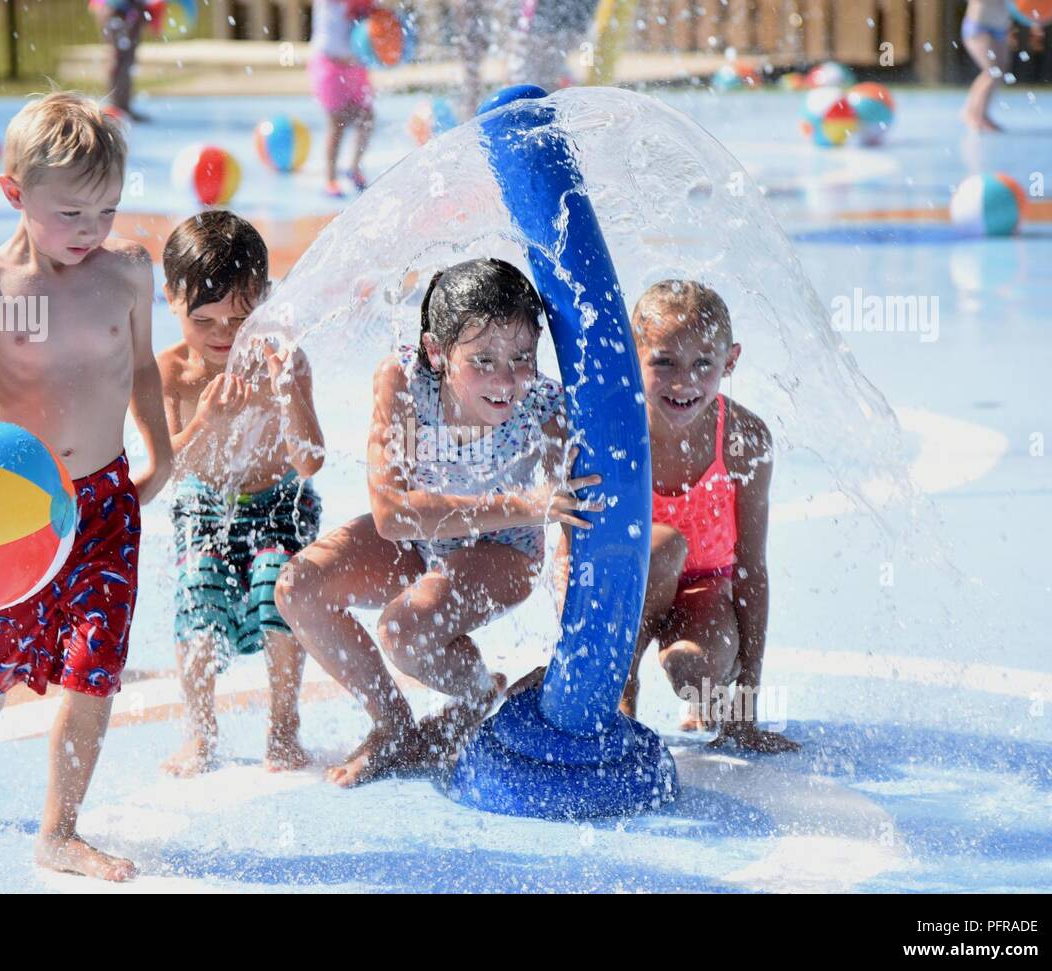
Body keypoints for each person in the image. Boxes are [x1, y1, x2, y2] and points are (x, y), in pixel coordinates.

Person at [0, 91, 174, 880]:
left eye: (107, 210)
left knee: (96, 666)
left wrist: (161, 452)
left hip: (107, 501)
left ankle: (60, 830)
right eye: (73, 213)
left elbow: (142, 368)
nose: (92, 231)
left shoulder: (127, 273)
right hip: (7, 512)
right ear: (14, 192)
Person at [275, 258, 603, 787]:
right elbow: (392, 513)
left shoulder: (545, 409)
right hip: (421, 538)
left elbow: (576, 530)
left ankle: (476, 693)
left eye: (523, 357)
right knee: (299, 587)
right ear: (436, 351)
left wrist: (572, 652)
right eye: (483, 360)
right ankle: (392, 724)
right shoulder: (404, 381)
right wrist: (525, 503)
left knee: (404, 629)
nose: (506, 380)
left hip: (504, 554)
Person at [562, 280, 798, 752]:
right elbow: (577, 554)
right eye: (664, 362)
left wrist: (745, 709)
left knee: (694, 668)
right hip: (623, 583)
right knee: (662, 544)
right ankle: (622, 697)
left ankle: (709, 701)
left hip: (706, 587)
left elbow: (751, 567)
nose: (683, 382)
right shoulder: (609, 434)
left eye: (703, 364)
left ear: (729, 361)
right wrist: (581, 658)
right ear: (633, 354)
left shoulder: (743, 439)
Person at [156, 209, 325, 777]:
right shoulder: (169, 375)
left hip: (280, 499)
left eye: (241, 317)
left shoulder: (284, 362)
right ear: (171, 300)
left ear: (266, 300)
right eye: (205, 320)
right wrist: (202, 421)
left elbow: (311, 462)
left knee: (279, 583)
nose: (225, 336)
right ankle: (199, 733)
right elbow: (161, 471)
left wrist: (287, 396)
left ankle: (283, 728)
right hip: (204, 502)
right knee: (200, 589)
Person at [309, 0, 377, 197]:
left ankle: (354, 168)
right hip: (329, 64)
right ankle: (330, 178)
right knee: (337, 121)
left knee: (367, 117)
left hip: (356, 66)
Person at [94, 0, 152, 123]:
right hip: (118, 9)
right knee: (119, 59)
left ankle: (122, 107)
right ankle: (117, 107)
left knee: (126, 59)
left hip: (124, 9)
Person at [960, 0, 1011, 132]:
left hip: (1000, 28)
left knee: (999, 72)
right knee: (993, 72)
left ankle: (979, 113)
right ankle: (973, 114)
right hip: (979, 27)